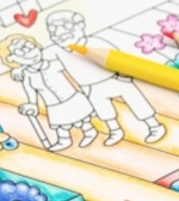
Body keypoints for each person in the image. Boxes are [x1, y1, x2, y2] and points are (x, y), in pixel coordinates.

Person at [46, 9, 165, 145]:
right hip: (91, 86)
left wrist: (124, 76)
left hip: (114, 78)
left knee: (136, 101)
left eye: (66, 26)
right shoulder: (59, 52)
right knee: (103, 110)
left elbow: (119, 58)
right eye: (53, 29)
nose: (59, 32)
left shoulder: (96, 42)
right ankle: (115, 130)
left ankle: (154, 126)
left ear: (80, 26)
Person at [0, 34, 96, 151]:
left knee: (82, 118)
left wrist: (84, 88)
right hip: (53, 104)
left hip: (72, 97)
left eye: (32, 48)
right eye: (22, 53)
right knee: (61, 125)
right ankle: (64, 140)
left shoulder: (54, 64)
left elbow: (70, 71)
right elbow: (30, 90)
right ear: (12, 59)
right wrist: (32, 104)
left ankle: (89, 131)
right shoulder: (28, 75)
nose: (30, 54)